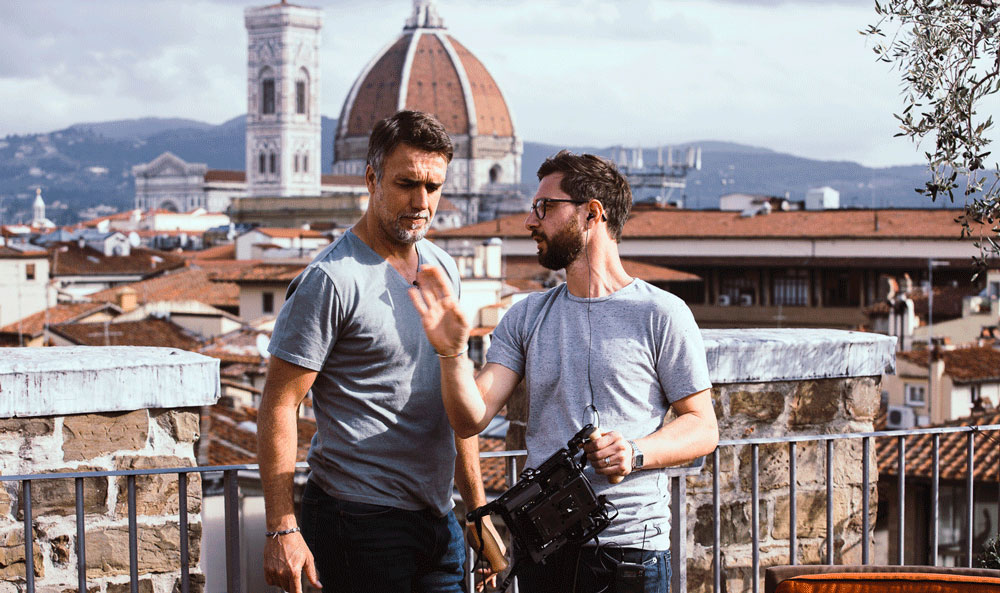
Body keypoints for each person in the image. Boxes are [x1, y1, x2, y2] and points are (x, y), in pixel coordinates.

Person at [410, 150, 719, 593]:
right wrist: (452, 354)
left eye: (545, 207)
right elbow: (470, 418)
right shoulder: (526, 316)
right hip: (544, 553)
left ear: (592, 214)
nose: (530, 221)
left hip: (630, 552)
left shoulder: (662, 314)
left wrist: (633, 452)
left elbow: (702, 427)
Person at [258, 110, 500, 593]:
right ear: (371, 179)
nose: (422, 201)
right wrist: (282, 527)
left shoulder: (441, 267)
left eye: (433, 187)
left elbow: (453, 401)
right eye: (406, 183)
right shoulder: (331, 280)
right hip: (357, 519)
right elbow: (279, 404)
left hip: (437, 518)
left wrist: (476, 512)